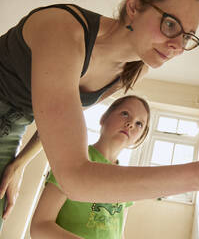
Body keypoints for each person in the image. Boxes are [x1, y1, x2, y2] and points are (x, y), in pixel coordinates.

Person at [0, 0, 199, 230]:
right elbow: (74, 178)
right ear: (134, 4)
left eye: (187, 36)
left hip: (13, 128)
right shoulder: (62, 29)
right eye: (170, 24)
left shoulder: (128, 71)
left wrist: (18, 164)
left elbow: (51, 119)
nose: (177, 46)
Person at [31, 95, 150, 239]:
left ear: (140, 137)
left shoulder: (128, 179)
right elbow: (40, 226)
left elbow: (118, 232)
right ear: (103, 118)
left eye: (139, 124)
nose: (131, 123)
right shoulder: (73, 161)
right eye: (125, 113)